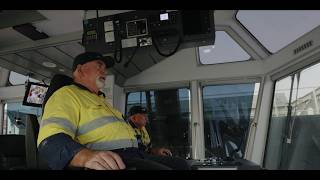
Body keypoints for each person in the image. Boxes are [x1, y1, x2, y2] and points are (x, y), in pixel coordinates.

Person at [37, 51, 190, 170]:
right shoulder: (66, 94)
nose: (105, 72)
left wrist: (151, 151)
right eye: (99, 66)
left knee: (182, 165)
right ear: (80, 69)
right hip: (112, 158)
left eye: (105, 68)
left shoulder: (102, 101)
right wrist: (84, 156)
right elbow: (51, 139)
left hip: (136, 154)